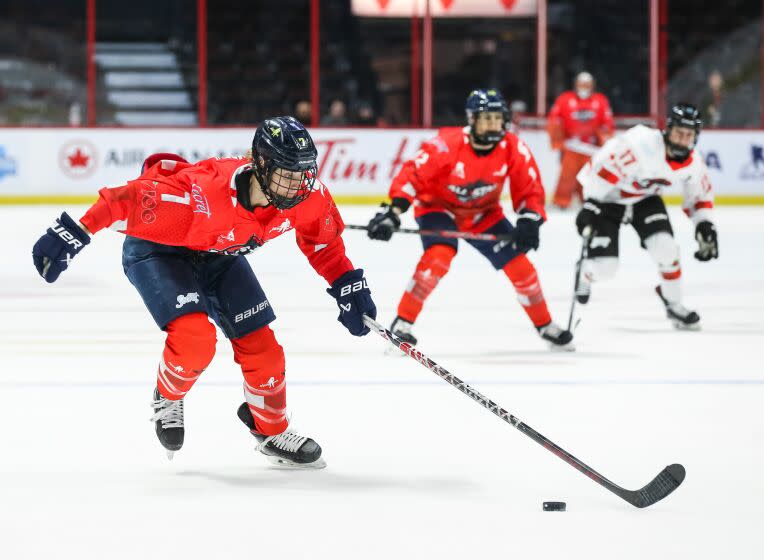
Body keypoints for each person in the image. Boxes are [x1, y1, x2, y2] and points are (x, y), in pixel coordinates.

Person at [32, 116, 377, 468]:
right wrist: (72, 232)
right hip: (160, 250)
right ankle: (168, 396)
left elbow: (324, 246)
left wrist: (346, 283)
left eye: (303, 172)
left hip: (219, 254)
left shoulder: (309, 196)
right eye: (286, 173)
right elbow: (125, 199)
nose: (297, 185)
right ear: (259, 163)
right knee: (196, 339)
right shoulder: (201, 195)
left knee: (266, 352)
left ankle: (271, 430)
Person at [366, 89, 573, 350]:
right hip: (438, 209)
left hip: (484, 214)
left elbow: (529, 187)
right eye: (486, 119)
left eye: (497, 118)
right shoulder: (447, 144)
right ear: (472, 120)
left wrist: (529, 220)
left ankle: (545, 326)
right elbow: (413, 175)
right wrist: (392, 212)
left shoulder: (513, 146)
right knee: (438, 257)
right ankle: (402, 324)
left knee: (522, 269)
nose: (493, 125)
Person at [574, 103, 718, 330]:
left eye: (689, 135)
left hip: (645, 200)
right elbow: (598, 170)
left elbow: (699, 196)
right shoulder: (640, 145)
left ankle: (674, 304)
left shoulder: (693, 163)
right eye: (679, 132)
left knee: (667, 249)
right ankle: (584, 273)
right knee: (606, 268)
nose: (682, 139)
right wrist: (591, 203)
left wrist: (704, 223)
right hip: (609, 200)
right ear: (668, 129)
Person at [547, 72, 614, 209]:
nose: (584, 87)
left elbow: (607, 124)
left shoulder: (600, 101)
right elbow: (554, 121)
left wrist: (603, 141)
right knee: (567, 175)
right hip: (571, 146)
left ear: (592, 85)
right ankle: (561, 201)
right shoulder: (564, 99)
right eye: (581, 84)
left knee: (590, 177)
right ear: (576, 84)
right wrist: (560, 140)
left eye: (587, 84)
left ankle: (588, 201)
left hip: (591, 149)